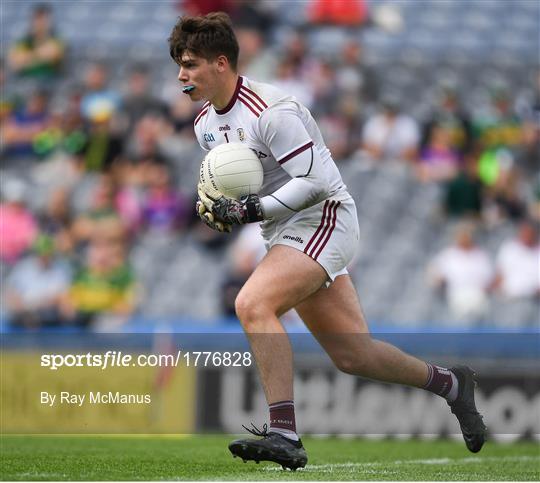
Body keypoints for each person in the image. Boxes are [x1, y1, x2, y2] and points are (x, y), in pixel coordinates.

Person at [168, 12, 486, 470]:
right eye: (180, 63)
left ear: (222, 63)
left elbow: (315, 182)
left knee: (251, 303)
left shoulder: (273, 111)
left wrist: (251, 210)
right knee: (354, 355)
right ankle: (452, 385)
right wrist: (217, 207)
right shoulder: (204, 125)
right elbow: (241, 187)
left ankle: (284, 433)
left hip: (325, 217)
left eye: (191, 63)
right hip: (284, 230)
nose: (181, 74)